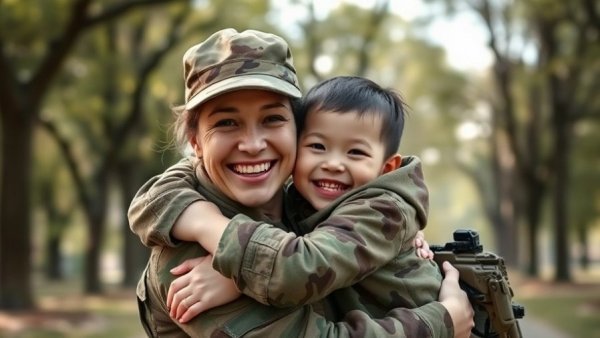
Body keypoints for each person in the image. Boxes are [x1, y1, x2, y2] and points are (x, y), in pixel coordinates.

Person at [130, 28, 473, 337]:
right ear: (196, 142)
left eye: (273, 119)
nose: (252, 144)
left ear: (296, 131)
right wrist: (441, 322)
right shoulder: (187, 261)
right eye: (226, 123)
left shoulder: (303, 205)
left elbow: (315, 257)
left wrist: (394, 231)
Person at [169, 76, 444, 323]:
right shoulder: (298, 201)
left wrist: (234, 277)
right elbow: (164, 187)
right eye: (317, 146)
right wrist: (192, 211)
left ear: (386, 169)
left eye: (356, 152)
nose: (333, 163)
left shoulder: (382, 209)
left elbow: (301, 269)